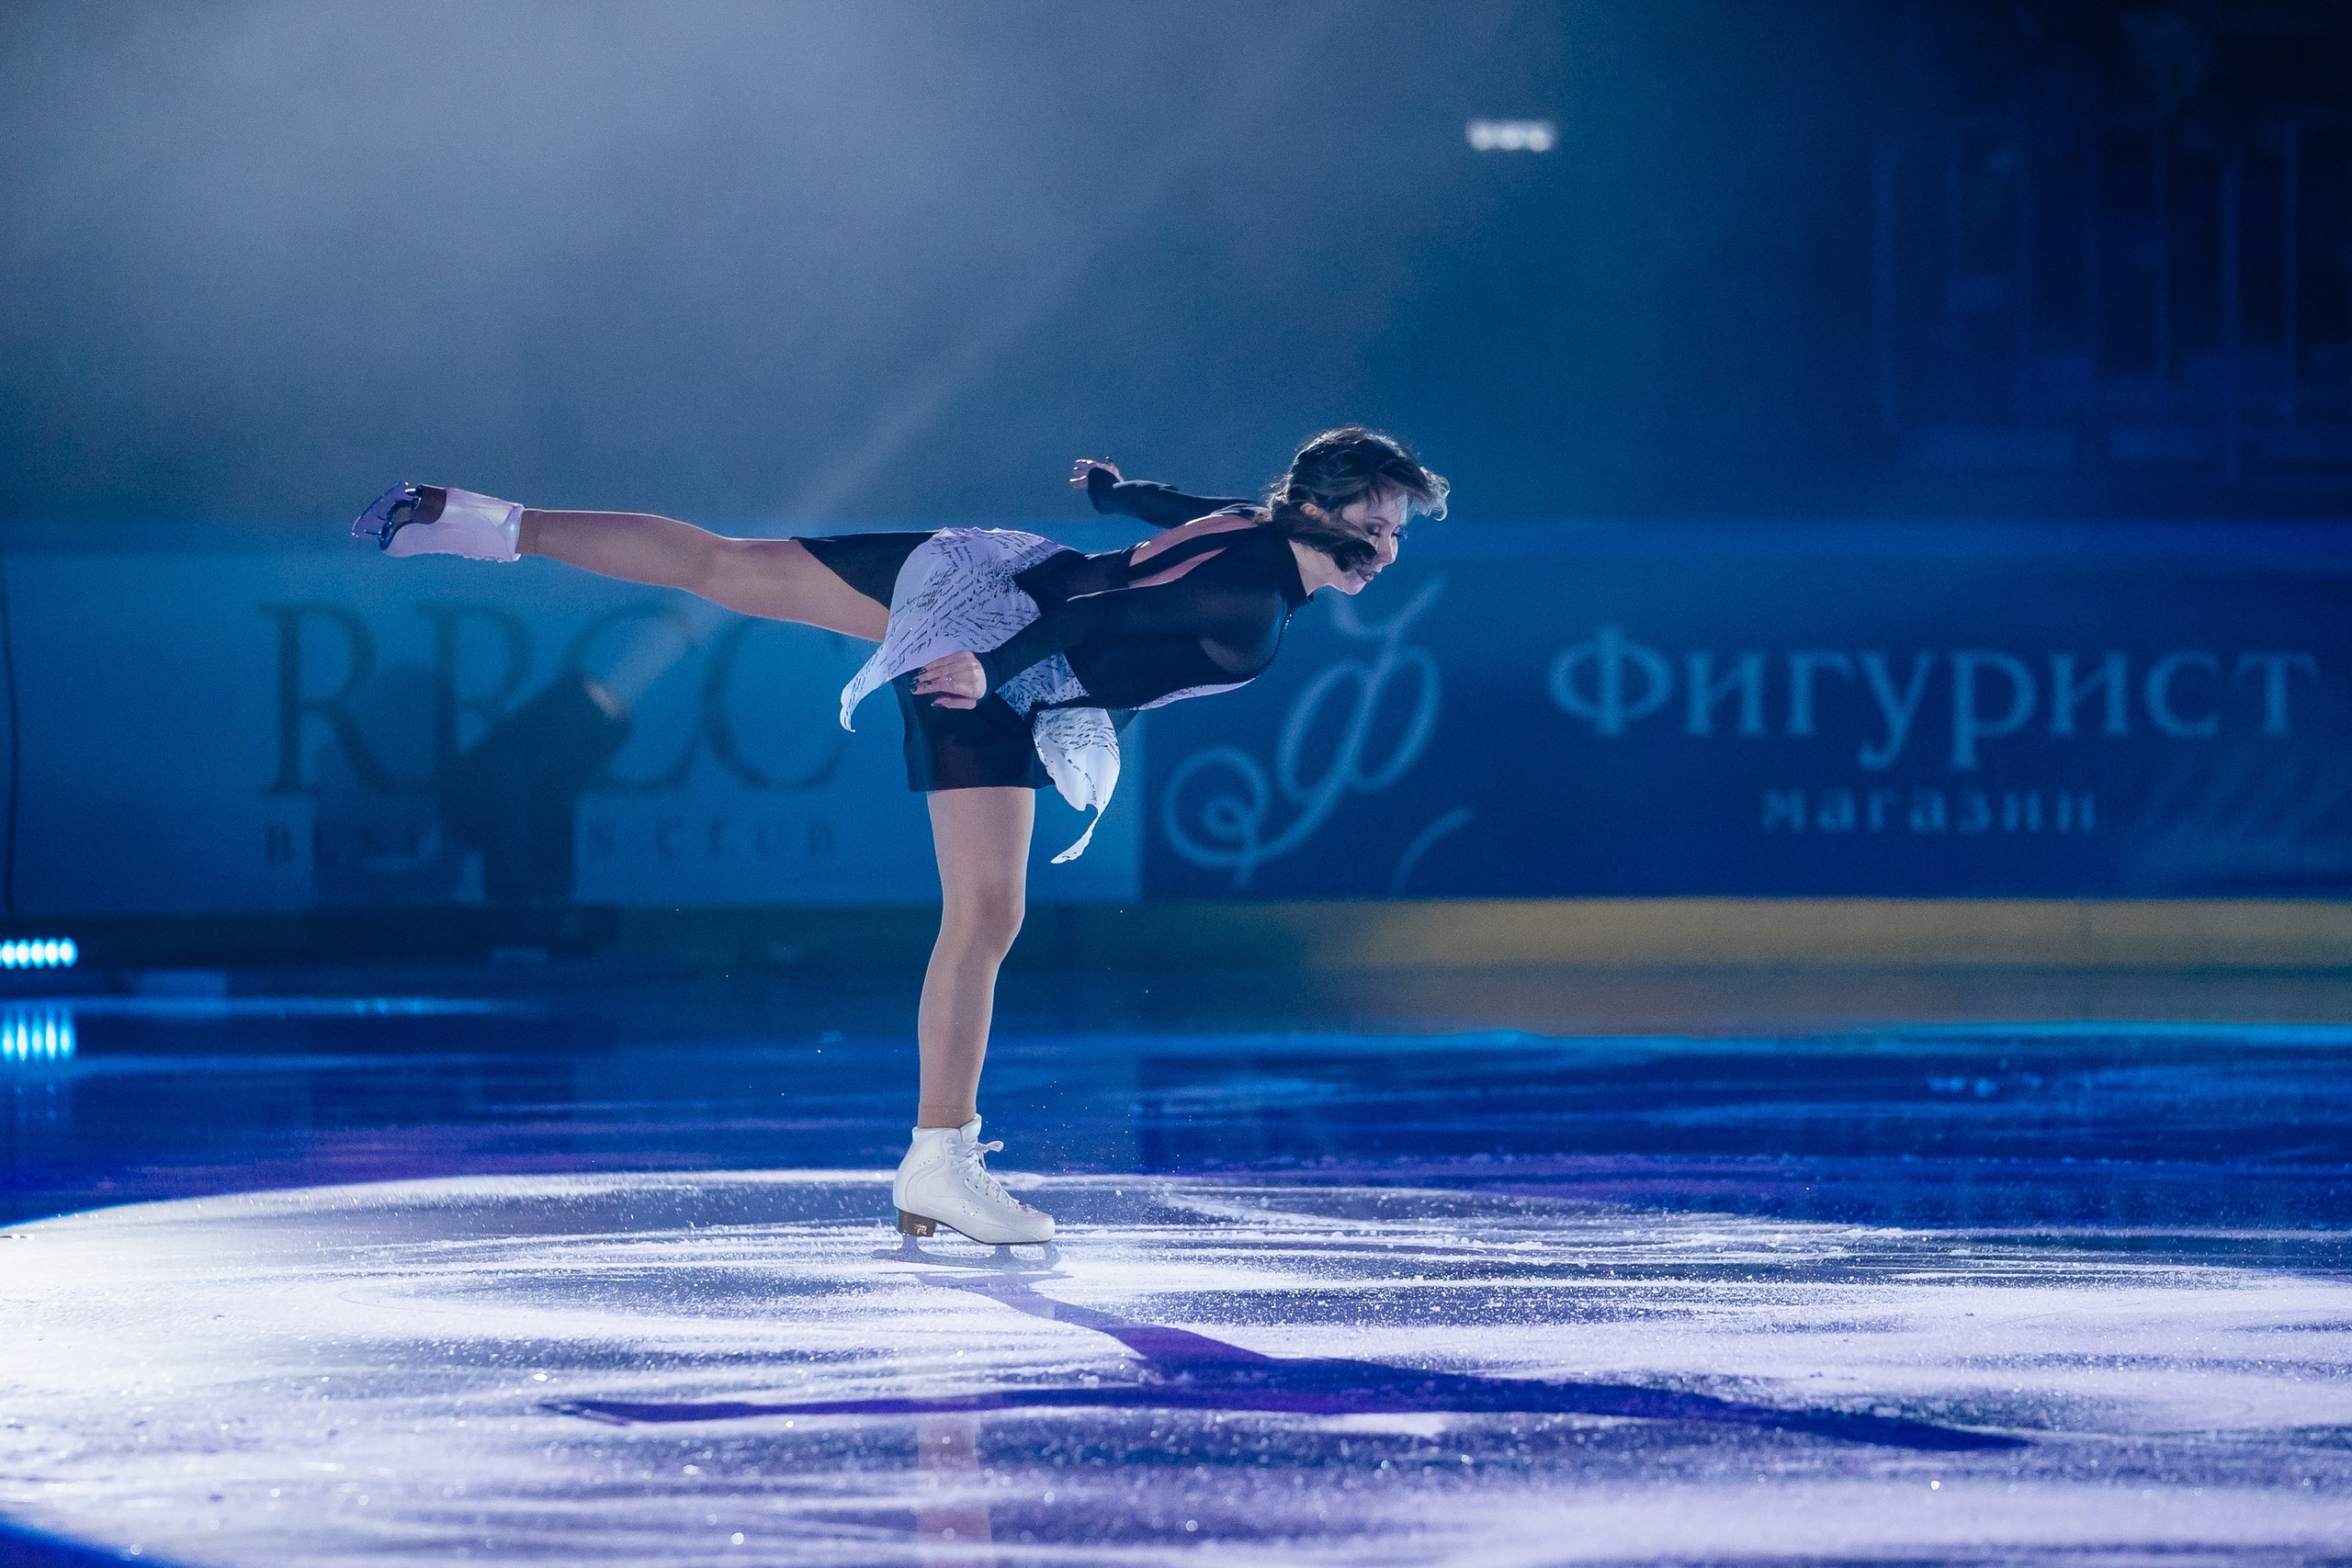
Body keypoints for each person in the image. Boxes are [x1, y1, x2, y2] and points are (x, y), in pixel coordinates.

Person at [351, 428, 1447, 1247]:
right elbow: (1094, 621)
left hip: (981, 591)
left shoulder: (1256, 542)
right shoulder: (1242, 595)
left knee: (728, 569)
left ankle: (473, 520)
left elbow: (1183, 515)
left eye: (1394, 528)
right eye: (1375, 525)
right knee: (984, 914)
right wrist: (990, 670)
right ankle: (939, 1159)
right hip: (999, 648)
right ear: (1318, 510)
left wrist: (1121, 495)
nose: (1386, 549)